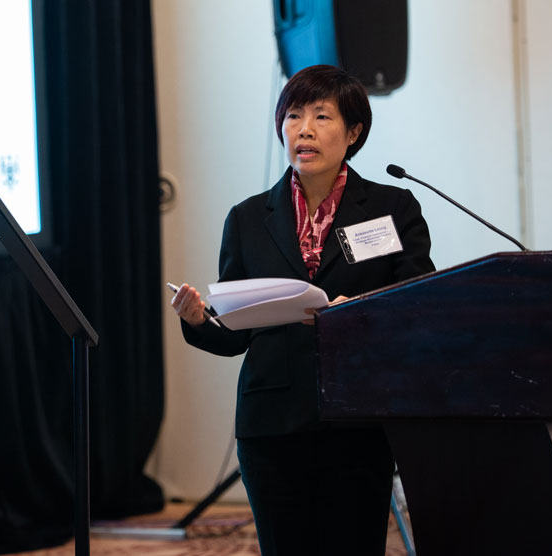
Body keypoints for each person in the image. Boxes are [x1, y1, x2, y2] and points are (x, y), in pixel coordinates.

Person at [171, 64, 435, 556]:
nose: (304, 129)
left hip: (358, 419)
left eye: (321, 116)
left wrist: (358, 312)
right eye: (293, 116)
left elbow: (417, 307)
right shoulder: (248, 218)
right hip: (272, 424)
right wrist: (198, 319)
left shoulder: (392, 208)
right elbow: (234, 334)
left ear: (353, 132)